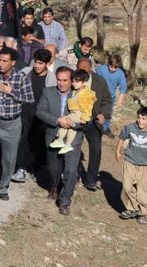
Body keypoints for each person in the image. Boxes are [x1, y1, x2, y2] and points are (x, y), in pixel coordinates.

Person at [0, 47, 35, 201]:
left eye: (5, 61)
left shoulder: (21, 78)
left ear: (13, 62)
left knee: (9, 159)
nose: (1, 64)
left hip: (12, 124)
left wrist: (11, 92)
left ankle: (3, 187)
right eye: (0, 60)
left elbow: (29, 100)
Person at [36, 67, 81, 215]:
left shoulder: (79, 94)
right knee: (53, 168)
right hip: (53, 135)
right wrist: (57, 120)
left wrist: (71, 123)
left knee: (70, 171)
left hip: (72, 138)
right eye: (59, 80)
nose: (61, 83)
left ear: (72, 80)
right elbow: (40, 111)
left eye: (65, 80)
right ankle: (54, 187)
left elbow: (88, 117)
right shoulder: (48, 92)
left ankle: (65, 202)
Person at [13, 48, 55, 183]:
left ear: (47, 64)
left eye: (41, 63)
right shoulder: (25, 72)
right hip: (24, 111)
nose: (37, 66)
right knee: (22, 140)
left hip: (41, 116)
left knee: (38, 142)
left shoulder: (52, 79)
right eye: (36, 62)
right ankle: (21, 168)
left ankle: (36, 168)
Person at [76, 57, 112, 191]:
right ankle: (75, 174)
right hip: (77, 120)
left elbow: (107, 100)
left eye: (85, 67)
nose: (82, 70)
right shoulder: (73, 79)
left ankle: (91, 179)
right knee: (74, 149)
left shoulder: (100, 81)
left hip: (94, 121)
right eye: (80, 67)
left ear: (90, 68)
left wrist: (103, 114)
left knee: (96, 150)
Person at [49, 69, 95, 154]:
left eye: (77, 82)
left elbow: (87, 107)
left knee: (68, 123)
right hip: (73, 113)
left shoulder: (86, 94)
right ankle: (61, 140)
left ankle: (66, 143)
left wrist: (84, 118)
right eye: (73, 81)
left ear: (84, 82)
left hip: (78, 114)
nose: (74, 83)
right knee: (67, 126)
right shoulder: (76, 92)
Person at [116, 106, 147, 225]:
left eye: (144, 119)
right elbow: (122, 137)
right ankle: (132, 208)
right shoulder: (130, 128)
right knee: (127, 187)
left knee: (142, 191)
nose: (140, 121)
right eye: (139, 118)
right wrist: (118, 151)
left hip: (145, 165)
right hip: (130, 161)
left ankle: (144, 212)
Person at [95, 54, 128, 138]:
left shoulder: (120, 74)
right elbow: (94, 77)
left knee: (107, 113)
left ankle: (106, 129)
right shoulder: (101, 69)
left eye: (115, 67)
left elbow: (123, 87)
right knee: (96, 111)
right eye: (111, 66)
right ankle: (94, 128)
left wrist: (120, 100)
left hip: (110, 97)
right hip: (98, 94)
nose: (113, 69)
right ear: (108, 63)